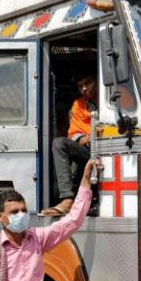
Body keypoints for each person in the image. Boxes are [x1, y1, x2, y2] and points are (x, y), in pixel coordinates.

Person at [41, 75, 97, 217]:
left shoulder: (114, 98)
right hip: (89, 150)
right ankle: (67, 200)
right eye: (80, 86)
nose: (84, 88)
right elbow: (74, 135)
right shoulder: (78, 104)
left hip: (114, 149)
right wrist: (88, 138)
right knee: (59, 143)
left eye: (88, 82)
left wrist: (99, 136)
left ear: (97, 80)